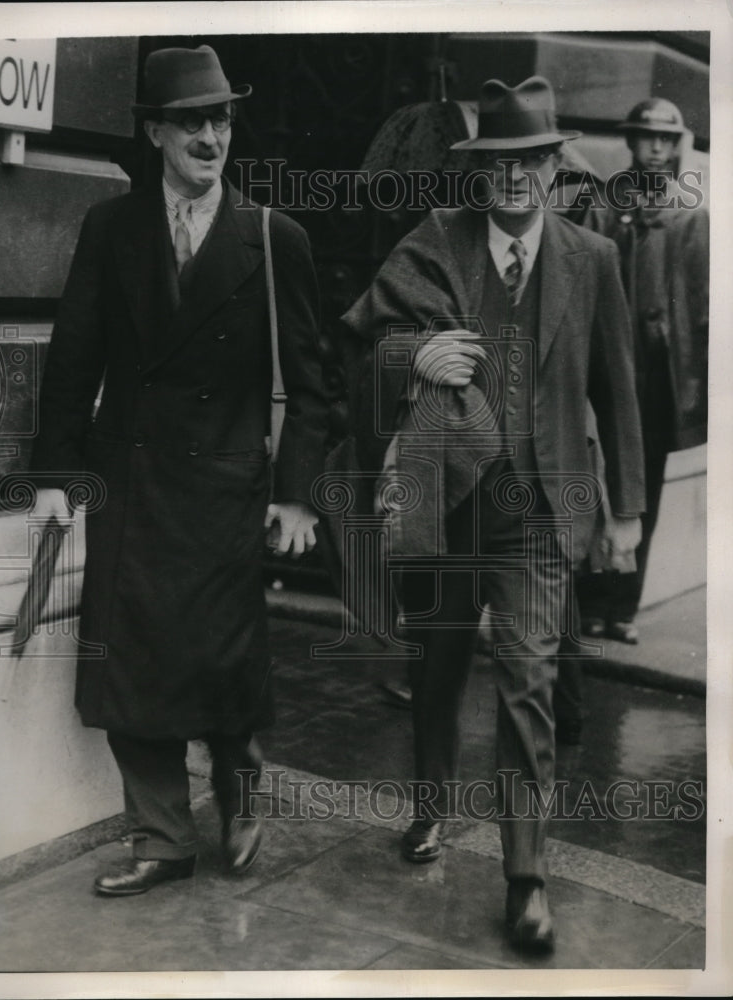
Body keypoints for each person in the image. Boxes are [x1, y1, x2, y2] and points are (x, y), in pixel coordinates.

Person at [341, 76, 645, 952]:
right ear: (479, 170)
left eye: (531, 160)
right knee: (437, 667)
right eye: (499, 162)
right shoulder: (439, 238)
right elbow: (362, 342)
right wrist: (416, 355)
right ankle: (431, 804)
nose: (514, 176)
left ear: (554, 166)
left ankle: (526, 877)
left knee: (528, 683)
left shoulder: (593, 258)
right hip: (446, 499)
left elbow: (617, 386)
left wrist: (625, 510)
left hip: (538, 511)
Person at [29, 45, 328, 896]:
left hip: (223, 488)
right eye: (192, 121)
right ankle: (162, 837)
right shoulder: (110, 228)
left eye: (221, 119)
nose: (210, 136)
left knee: (222, 661)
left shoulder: (273, 239)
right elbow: (73, 358)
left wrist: (299, 495)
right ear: (156, 133)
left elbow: (315, 386)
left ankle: (240, 791)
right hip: (130, 482)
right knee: (130, 664)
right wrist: (54, 475)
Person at [576, 97, 709, 644]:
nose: (657, 148)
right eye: (647, 137)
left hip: (658, 376)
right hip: (609, 370)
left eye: (666, 139)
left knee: (645, 489)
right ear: (630, 141)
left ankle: (622, 607)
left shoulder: (689, 212)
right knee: (599, 482)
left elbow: (702, 303)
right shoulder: (604, 204)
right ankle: (589, 602)